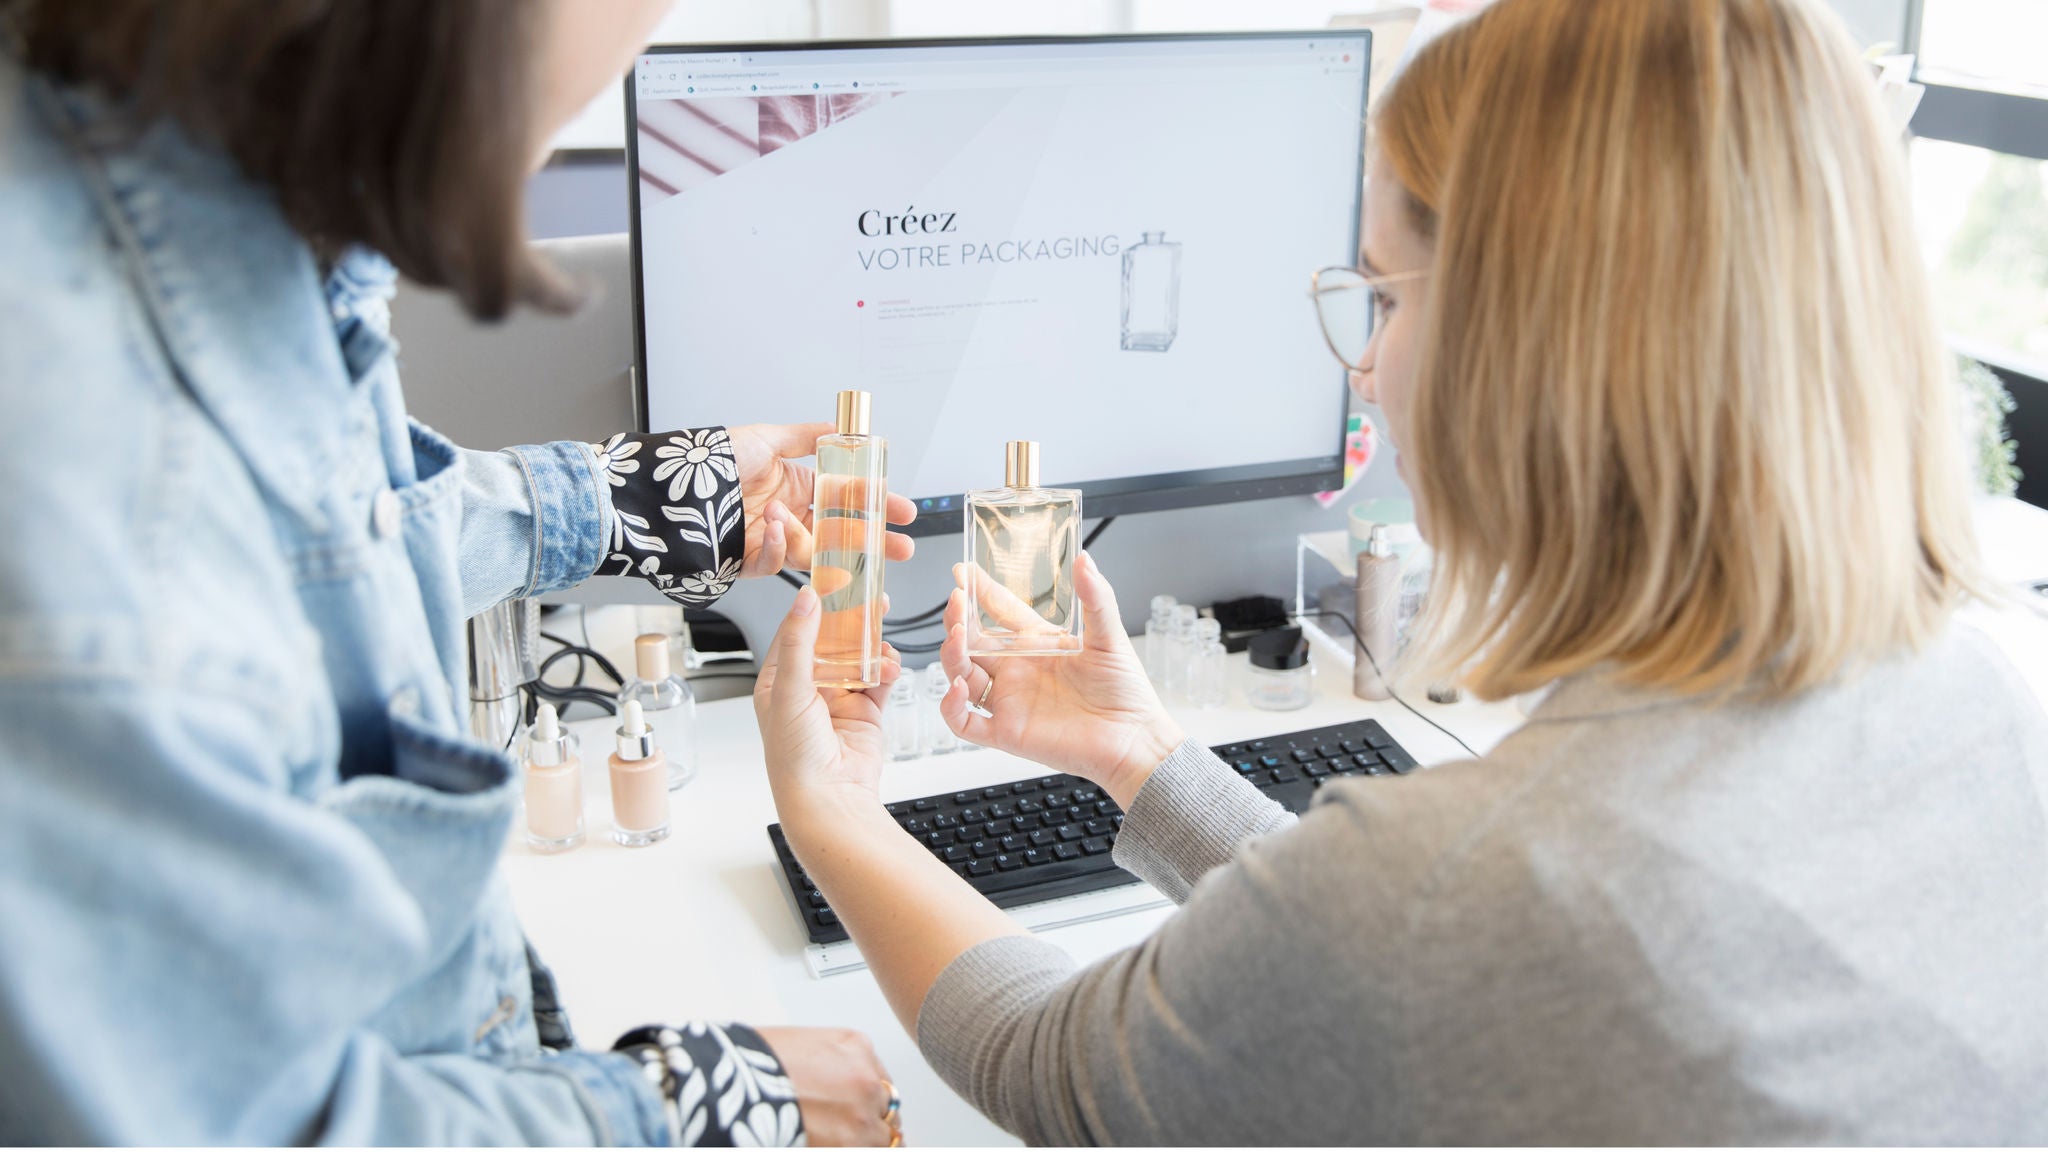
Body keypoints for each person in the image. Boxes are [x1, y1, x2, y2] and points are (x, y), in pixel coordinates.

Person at [752, 0, 2048, 1143]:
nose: (1362, 363)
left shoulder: (1476, 884)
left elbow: (1063, 1071)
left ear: (1524, 336)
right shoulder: (1978, 701)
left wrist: (837, 813)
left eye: (1382, 296)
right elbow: (1424, 949)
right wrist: (1142, 759)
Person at [0, 0, 916, 1144]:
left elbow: (340, 548)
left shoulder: (209, 214)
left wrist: (639, 504)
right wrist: (686, 1110)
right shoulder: (97, 483)